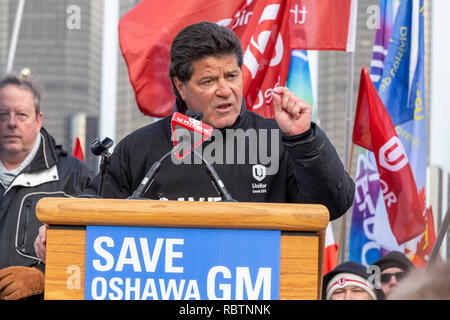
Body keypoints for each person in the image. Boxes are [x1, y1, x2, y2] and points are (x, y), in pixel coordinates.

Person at [36, 22, 355, 263]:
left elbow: (334, 203)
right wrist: (61, 232)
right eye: (208, 81)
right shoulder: (141, 148)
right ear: (180, 86)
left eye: (231, 76)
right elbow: (96, 209)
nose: (225, 89)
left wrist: (304, 137)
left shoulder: (279, 140)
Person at [0, 74, 91, 300]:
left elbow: (92, 252)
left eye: (21, 114)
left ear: (38, 120)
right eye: (3, 114)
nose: (12, 122)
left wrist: (41, 278)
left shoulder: (73, 175)